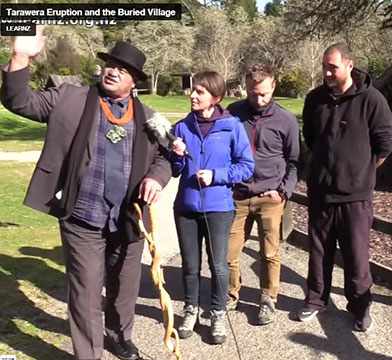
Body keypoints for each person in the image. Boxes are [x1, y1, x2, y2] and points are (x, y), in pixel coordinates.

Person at [1, 26, 172, 360]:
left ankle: (119, 336)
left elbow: (167, 158)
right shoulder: (69, 97)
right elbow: (18, 101)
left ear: (133, 80)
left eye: (122, 69)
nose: (112, 71)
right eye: (110, 64)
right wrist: (20, 56)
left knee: (124, 289)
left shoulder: (151, 118)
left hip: (129, 219)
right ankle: (88, 354)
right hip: (81, 216)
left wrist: (156, 178)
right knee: (85, 291)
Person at [297, 43, 392, 331]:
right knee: (318, 253)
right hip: (321, 192)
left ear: (350, 65)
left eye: (332, 67)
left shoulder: (372, 100)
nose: (326, 72)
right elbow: (312, 137)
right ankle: (316, 300)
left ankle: (360, 308)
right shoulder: (315, 99)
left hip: (355, 196)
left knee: (356, 255)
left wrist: (360, 172)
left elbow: (385, 143)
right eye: (324, 67)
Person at [169, 71, 254, 344]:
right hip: (186, 207)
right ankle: (190, 310)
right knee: (190, 266)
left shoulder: (232, 127)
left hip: (219, 207)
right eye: (193, 91)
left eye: (200, 92)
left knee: (218, 265)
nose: (193, 95)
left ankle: (217, 313)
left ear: (215, 98)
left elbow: (246, 167)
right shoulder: (182, 127)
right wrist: (176, 154)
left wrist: (216, 175)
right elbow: (175, 170)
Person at [226, 64, 300, 325]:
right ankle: (231, 294)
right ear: (245, 88)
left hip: (270, 198)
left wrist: (283, 192)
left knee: (269, 253)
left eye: (264, 94)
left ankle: (268, 298)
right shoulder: (233, 113)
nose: (258, 99)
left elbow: (294, 162)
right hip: (237, 195)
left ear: (273, 87)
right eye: (252, 93)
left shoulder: (286, 120)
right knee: (229, 253)